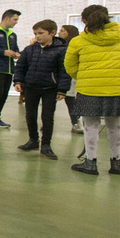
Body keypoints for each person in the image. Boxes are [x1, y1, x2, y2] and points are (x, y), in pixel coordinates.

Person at [64, 5, 120, 176]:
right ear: (107, 17)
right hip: (118, 88)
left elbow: (69, 66)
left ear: (84, 20)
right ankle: (116, 163)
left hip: (89, 89)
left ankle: (90, 163)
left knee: (91, 125)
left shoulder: (78, 41)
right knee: (114, 124)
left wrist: (85, 76)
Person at [12, 20, 71, 160]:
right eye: (35, 33)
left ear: (52, 33)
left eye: (41, 33)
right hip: (31, 87)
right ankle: (33, 140)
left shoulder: (62, 50)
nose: (37, 36)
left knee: (47, 117)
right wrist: (18, 81)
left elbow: (64, 71)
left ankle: (46, 145)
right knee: (30, 114)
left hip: (50, 88)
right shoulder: (30, 49)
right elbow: (21, 66)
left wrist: (62, 89)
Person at [58, 25, 83, 133]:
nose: (59, 33)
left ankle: (76, 123)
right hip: (56, 77)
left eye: (62, 31)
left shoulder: (74, 45)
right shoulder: (57, 45)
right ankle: (46, 124)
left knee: (71, 101)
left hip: (70, 77)